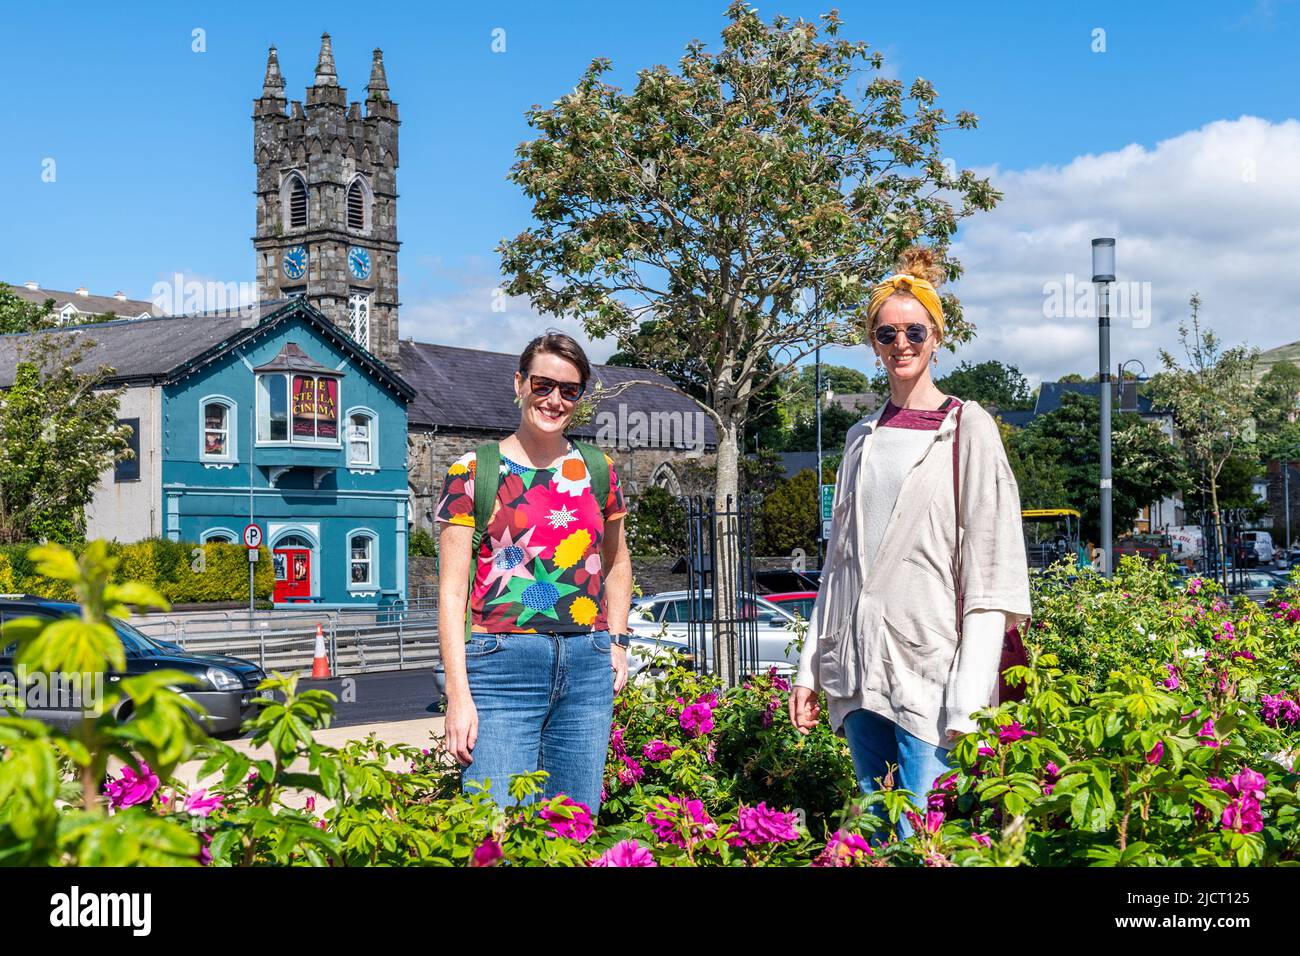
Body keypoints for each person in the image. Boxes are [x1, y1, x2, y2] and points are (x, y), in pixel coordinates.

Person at [788, 247, 1032, 838]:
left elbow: (993, 568)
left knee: (926, 838)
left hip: (933, 671)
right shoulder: (859, 438)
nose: (901, 342)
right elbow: (839, 565)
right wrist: (808, 670)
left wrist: (970, 700)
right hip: (859, 668)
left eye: (914, 330)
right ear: (873, 342)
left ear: (936, 336)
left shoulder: (966, 425)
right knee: (877, 834)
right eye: (886, 332)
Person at [435, 332, 632, 816]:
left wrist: (619, 642)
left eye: (570, 390)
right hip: (500, 666)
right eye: (544, 385)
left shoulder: (597, 469)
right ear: (519, 384)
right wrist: (458, 695)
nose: (555, 400)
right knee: (496, 825)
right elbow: (451, 591)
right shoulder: (472, 471)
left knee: (574, 825)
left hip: (587, 664)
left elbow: (618, 561)